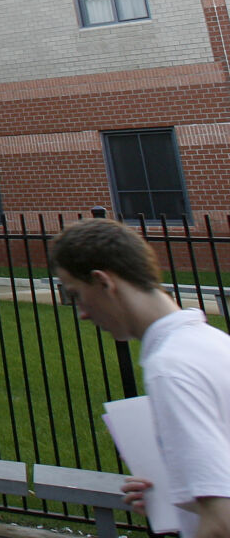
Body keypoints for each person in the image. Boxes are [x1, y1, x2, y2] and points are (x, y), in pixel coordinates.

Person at [51, 219, 230, 538]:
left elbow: (221, 523)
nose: (82, 313)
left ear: (103, 282)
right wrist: (175, 496)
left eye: (76, 294)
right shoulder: (214, 343)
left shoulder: (170, 369)